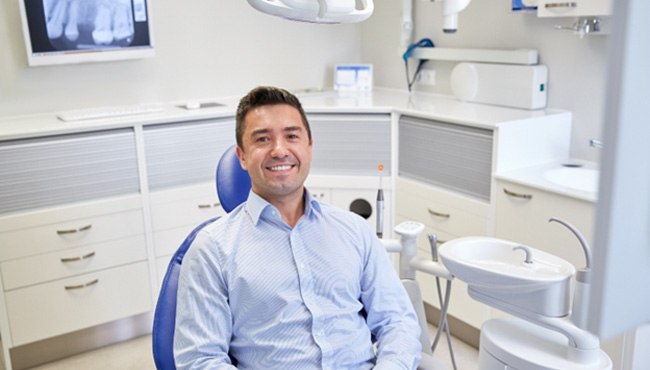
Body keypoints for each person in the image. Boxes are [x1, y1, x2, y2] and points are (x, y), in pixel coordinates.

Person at [174, 86, 422, 369]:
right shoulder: (213, 249)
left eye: (291, 136)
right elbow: (200, 359)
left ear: (309, 147)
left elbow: (397, 320)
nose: (280, 150)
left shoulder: (354, 231)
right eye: (263, 139)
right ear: (242, 157)